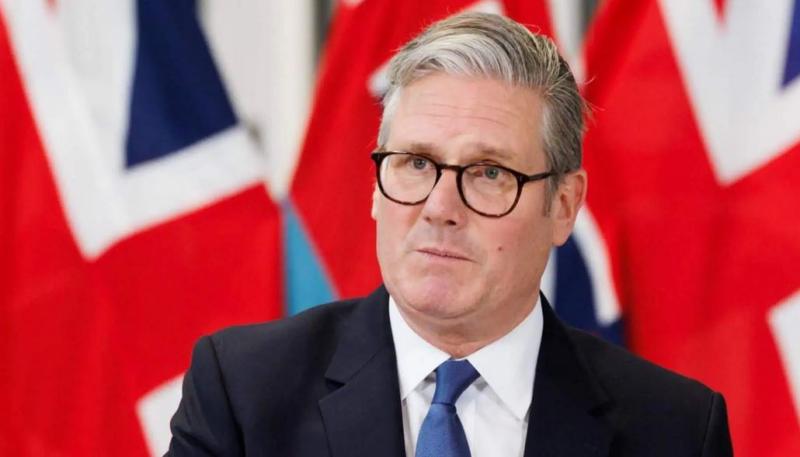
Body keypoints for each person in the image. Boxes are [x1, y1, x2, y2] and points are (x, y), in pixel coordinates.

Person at [166, 12, 733, 457]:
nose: (440, 207)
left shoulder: (675, 429)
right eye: (416, 163)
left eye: (489, 173)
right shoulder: (244, 392)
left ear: (563, 206)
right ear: (375, 186)